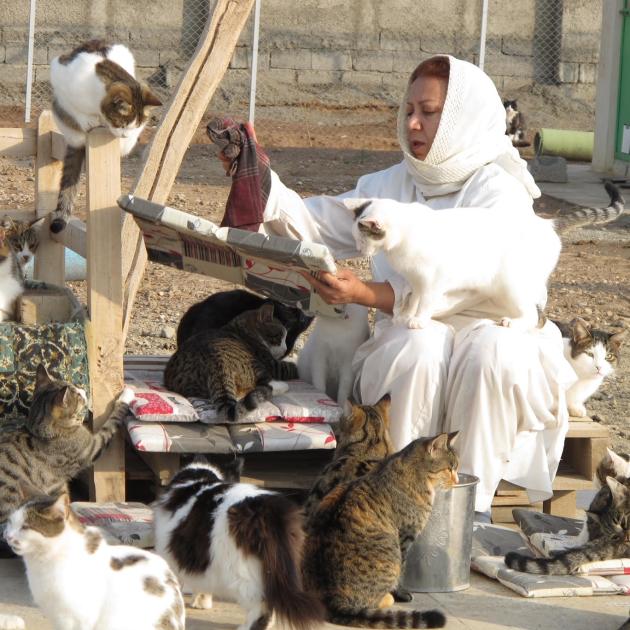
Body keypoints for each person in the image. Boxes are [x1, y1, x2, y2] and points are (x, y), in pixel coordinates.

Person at [220, 55, 576, 519]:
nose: (412, 123)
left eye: (429, 113)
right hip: (413, 327)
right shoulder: (392, 183)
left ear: (462, 120)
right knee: (416, 345)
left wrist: (371, 295)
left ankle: (473, 510)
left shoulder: (499, 192)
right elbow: (316, 220)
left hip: (496, 322)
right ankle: (395, 504)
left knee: (492, 353)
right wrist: (255, 175)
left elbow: (481, 284)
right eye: (408, 110)